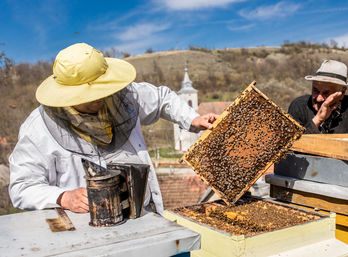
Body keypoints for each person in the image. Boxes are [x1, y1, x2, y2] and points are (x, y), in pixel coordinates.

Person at [8, 43, 218, 214]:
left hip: (142, 214)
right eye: (91, 95)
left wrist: (192, 119)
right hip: (86, 231)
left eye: (102, 90)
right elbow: (22, 187)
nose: (100, 98)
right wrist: (64, 197)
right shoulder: (38, 128)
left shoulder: (126, 96)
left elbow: (162, 98)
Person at [288, 60, 348, 134]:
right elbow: (291, 145)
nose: (318, 98)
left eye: (326, 93)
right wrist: (318, 119)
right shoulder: (299, 106)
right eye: (315, 90)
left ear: (342, 92)